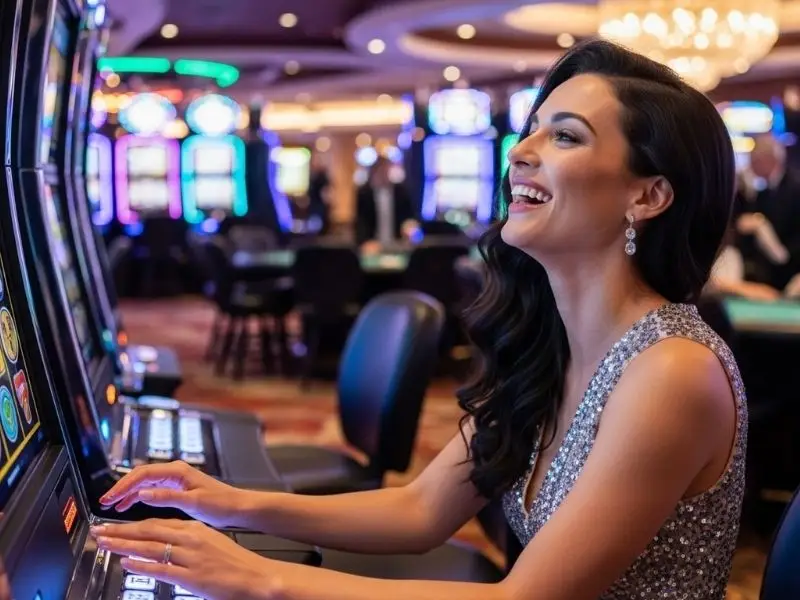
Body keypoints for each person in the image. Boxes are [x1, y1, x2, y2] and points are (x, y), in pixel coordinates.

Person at [90, 39, 745, 600]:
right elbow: (421, 508)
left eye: (566, 135)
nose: (521, 150)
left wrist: (260, 579)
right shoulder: (554, 347)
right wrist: (226, 503)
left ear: (648, 195)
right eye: (534, 127)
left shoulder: (672, 370)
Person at [735, 133, 800, 288]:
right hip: (770, 273)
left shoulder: (795, 187)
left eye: (753, 161)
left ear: (767, 160)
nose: (749, 167)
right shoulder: (764, 191)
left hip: (793, 270)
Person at [354, 156, 416, 253]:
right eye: (382, 169)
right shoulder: (364, 193)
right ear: (374, 171)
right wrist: (364, 242)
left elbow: (409, 217)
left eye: (387, 169)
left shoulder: (401, 192)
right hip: (372, 247)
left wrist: (410, 228)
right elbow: (361, 222)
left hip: (398, 245)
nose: (385, 173)